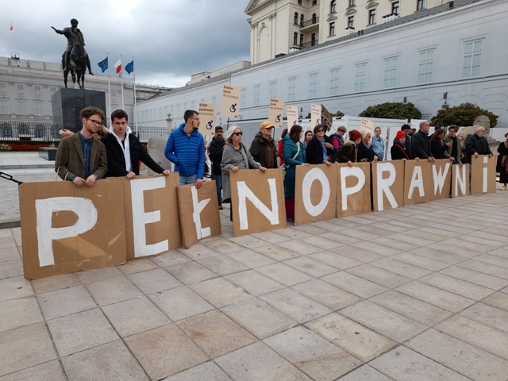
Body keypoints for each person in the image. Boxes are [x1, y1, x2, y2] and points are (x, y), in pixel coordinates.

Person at [100, 109, 170, 178]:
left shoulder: (133, 139)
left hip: (133, 178)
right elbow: (110, 162)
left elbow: (145, 157)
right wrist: (125, 173)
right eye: (117, 123)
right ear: (112, 123)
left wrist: (161, 170)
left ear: (127, 123)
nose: (120, 126)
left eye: (123, 123)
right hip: (114, 180)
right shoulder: (105, 140)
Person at [221, 126, 267, 220]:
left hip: (245, 178)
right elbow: (223, 165)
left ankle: (244, 219)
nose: (239, 135)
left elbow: (251, 160)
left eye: (241, 133)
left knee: (244, 199)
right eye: (237, 134)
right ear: (231, 136)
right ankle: (237, 221)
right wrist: (231, 167)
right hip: (235, 180)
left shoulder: (243, 147)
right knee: (236, 200)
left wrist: (259, 166)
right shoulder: (228, 150)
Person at [55, 106, 107, 186]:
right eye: (93, 121)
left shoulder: (100, 145)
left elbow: (103, 167)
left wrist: (95, 176)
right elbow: (59, 166)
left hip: (93, 187)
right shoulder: (66, 142)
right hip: (72, 188)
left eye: (98, 123)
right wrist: (73, 178)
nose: (96, 125)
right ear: (84, 120)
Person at [165, 110, 205, 189]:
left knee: (192, 200)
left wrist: (199, 176)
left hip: (194, 175)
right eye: (197, 119)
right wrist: (178, 160)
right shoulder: (174, 134)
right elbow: (167, 152)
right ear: (190, 120)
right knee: (179, 199)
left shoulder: (199, 137)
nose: (199, 121)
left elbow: (201, 158)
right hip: (179, 175)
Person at [282, 125, 307, 222]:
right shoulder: (288, 144)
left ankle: (297, 212)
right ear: (297, 132)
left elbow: (303, 156)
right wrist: (300, 163)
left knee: (299, 192)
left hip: (300, 171)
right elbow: (287, 158)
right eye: (301, 131)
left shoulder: (300, 144)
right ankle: (289, 214)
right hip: (292, 171)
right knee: (290, 193)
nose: (302, 133)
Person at [208, 126, 225, 209]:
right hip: (217, 167)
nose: (219, 133)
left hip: (225, 168)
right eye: (217, 131)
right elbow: (213, 155)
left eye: (221, 131)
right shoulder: (213, 143)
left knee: (225, 185)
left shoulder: (226, 142)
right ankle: (219, 202)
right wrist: (223, 150)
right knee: (218, 185)